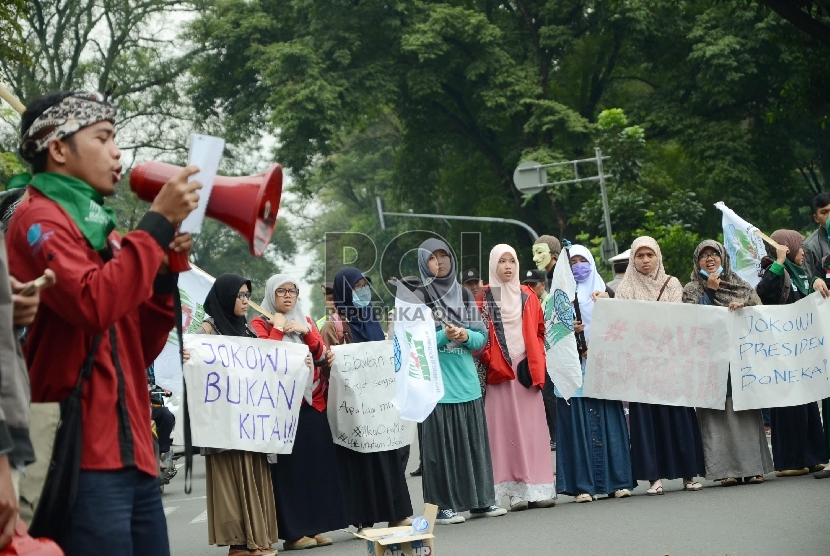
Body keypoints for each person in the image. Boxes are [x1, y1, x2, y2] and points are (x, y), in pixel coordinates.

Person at [6, 90, 201, 555]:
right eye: (104, 138)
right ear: (58, 149)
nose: (118, 154)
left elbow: (141, 346)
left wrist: (160, 274)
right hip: (83, 457)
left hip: (132, 451)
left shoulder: (103, 230)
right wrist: (154, 227)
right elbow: (93, 304)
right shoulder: (38, 218)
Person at [598, 237, 705, 495]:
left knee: (677, 417)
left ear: (658, 256)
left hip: (670, 363)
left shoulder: (672, 283)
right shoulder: (625, 289)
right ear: (632, 259)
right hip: (640, 366)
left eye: (650, 255)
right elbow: (625, 325)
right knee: (647, 421)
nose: (645, 260)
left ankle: (688, 475)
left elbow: (675, 319)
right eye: (640, 256)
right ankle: (654, 478)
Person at [251, 274, 347, 550]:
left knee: (315, 466)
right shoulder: (259, 323)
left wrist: (305, 333)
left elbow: (322, 356)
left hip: (312, 402)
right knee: (290, 472)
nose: (288, 295)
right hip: (282, 409)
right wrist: (279, 329)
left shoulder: (304, 321)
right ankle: (293, 533)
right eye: (281, 291)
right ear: (271, 294)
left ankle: (314, 526)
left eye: (292, 290)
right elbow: (266, 357)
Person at [415, 239, 506, 525]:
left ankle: (481, 502)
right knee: (439, 453)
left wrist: (466, 336)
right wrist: (444, 335)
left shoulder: (464, 295)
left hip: (466, 382)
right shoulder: (415, 297)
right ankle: (441, 509)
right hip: (435, 388)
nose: (440, 262)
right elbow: (411, 342)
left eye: (444, 256)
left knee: (474, 446)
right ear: (423, 262)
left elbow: (481, 338)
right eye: (433, 257)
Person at [321, 267, 413, 533]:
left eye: (365, 285)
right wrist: (329, 361)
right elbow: (326, 368)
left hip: (380, 406)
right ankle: (365, 520)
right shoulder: (333, 326)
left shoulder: (372, 319)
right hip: (353, 408)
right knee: (360, 462)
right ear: (344, 291)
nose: (362, 291)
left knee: (388, 457)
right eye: (356, 286)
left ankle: (397, 514)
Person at [196, 274, 278, 556]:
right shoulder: (206, 333)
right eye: (240, 295)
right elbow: (195, 370)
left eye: (247, 295)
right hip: (223, 426)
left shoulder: (248, 333)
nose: (245, 301)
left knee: (253, 474)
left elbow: (270, 366)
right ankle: (239, 543)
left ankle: (258, 538)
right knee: (232, 479)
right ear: (225, 297)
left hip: (250, 421)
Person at [682, 240, 774, 487]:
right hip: (710, 365)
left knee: (745, 412)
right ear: (697, 261)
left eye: (714, 254)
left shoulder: (741, 286)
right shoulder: (691, 289)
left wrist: (744, 309)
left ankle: (754, 468)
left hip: (741, 362)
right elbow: (690, 323)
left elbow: (760, 315)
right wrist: (709, 292)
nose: (710, 259)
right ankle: (726, 470)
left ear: (724, 258)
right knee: (717, 414)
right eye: (704, 256)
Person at [477, 245, 555, 511]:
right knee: (503, 431)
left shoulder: (527, 294)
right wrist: (491, 359)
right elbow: (477, 335)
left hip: (525, 371)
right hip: (498, 373)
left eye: (512, 260)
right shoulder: (483, 298)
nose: (508, 266)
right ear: (493, 265)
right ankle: (514, 492)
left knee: (532, 430)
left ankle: (536, 488)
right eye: (502, 261)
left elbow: (541, 330)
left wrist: (535, 356)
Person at [555, 245, 634, 502]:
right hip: (575, 371)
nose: (578, 266)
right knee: (579, 427)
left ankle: (618, 482)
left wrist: (608, 307)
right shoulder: (558, 297)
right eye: (573, 262)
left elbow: (625, 330)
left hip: (605, 370)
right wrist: (570, 331)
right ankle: (582, 486)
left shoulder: (607, 291)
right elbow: (548, 336)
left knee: (610, 422)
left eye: (583, 260)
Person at [755, 231, 827, 477]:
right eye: (800, 247)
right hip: (783, 351)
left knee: (807, 403)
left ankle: (813, 456)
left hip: (804, 351)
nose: (804, 251)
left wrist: (817, 282)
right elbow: (764, 292)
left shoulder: (802, 272)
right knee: (788, 406)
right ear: (788, 247)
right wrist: (779, 261)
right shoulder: (773, 270)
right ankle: (789, 460)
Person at [798, 193, 830, 479]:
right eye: (824, 212)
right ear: (816, 217)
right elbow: (807, 281)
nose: (829, 215)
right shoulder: (810, 245)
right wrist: (815, 280)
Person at [522, 268, 557, 450]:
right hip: (535, 355)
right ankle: (548, 435)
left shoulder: (550, 301)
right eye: (527, 284)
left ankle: (557, 434)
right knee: (540, 397)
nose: (530, 287)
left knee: (549, 397)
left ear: (543, 284)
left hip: (551, 355)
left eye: (533, 284)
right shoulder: (525, 300)